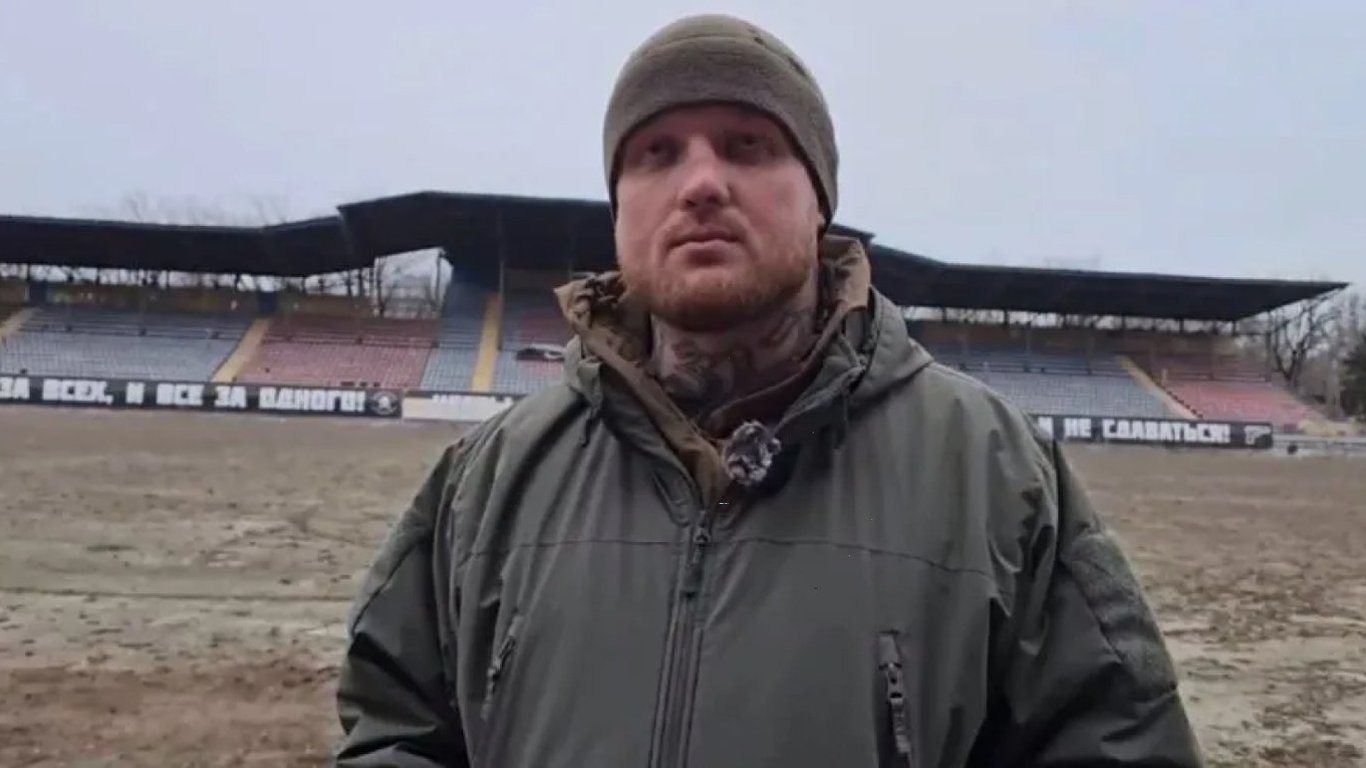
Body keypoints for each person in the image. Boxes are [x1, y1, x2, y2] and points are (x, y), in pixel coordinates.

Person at [334, 13, 1204, 767]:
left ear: (819, 198)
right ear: (619, 209)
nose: (701, 183)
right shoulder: (488, 481)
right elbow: (396, 726)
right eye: (656, 153)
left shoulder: (997, 477)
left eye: (747, 145)